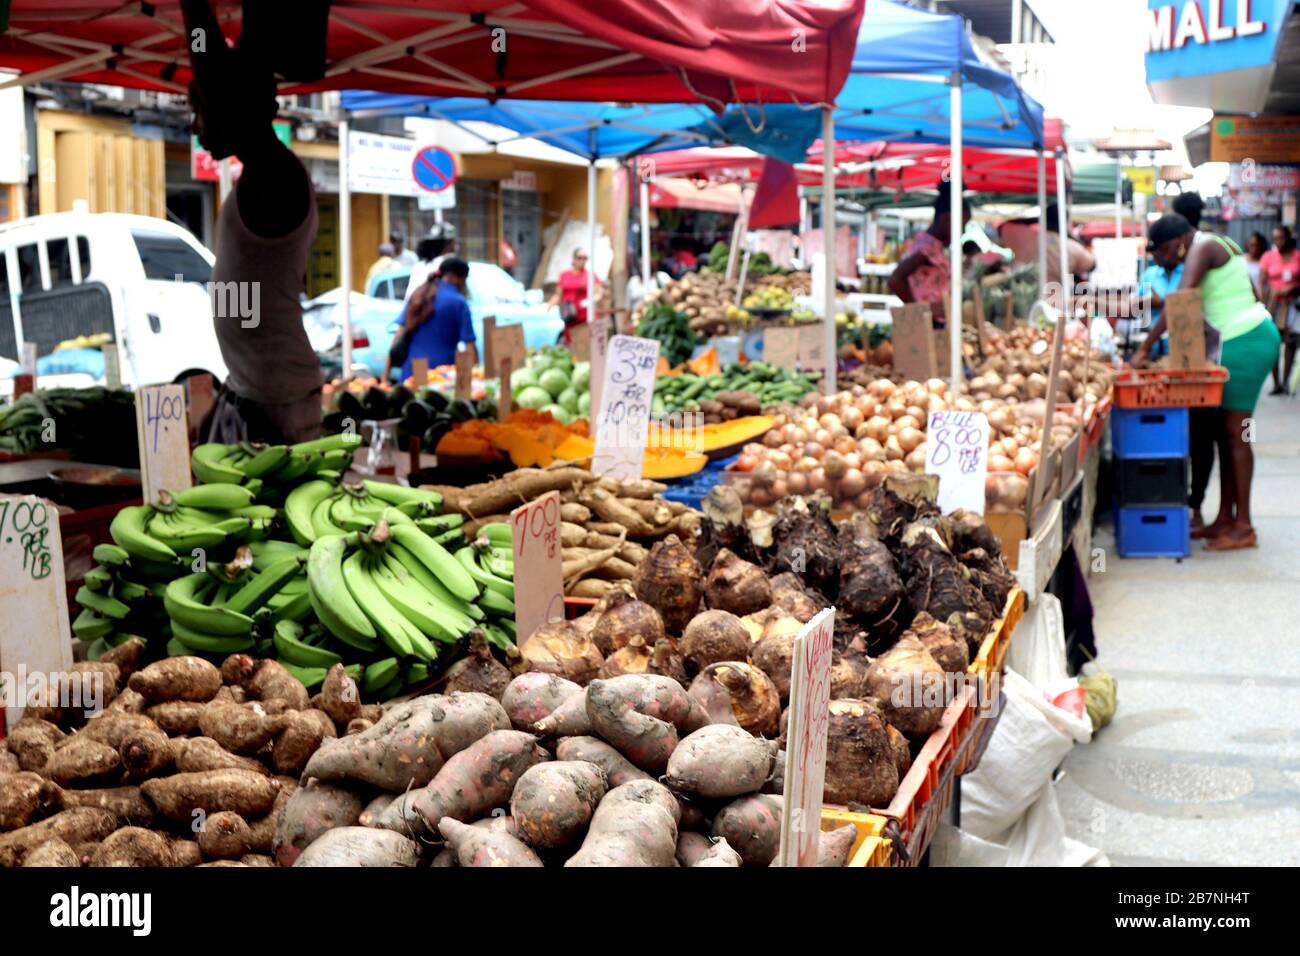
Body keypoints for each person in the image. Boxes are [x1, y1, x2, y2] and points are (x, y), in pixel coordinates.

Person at [182, 0, 323, 445]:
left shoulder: (274, 177)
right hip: (257, 392)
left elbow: (215, 71)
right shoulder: (262, 174)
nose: (195, 125)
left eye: (200, 108)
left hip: (276, 402)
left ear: (232, 105)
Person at [1135, 214, 1281, 551]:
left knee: (1237, 434)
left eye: (1166, 254)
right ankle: (1226, 519)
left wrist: (1144, 349)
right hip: (1243, 339)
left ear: (1177, 240)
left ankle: (1244, 526)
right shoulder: (1220, 244)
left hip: (1243, 342)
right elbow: (1250, 290)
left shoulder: (1202, 245)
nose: (1167, 261)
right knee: (1224, 434)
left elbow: (1179, 303)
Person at [888, 183, 972, 326]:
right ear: (946, 219)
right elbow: (895, 279)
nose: (963, 231)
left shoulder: (935, 246)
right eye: (962, 225)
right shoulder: (927, 248)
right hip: (929, 325)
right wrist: (919, 310)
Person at [395, 258, 477, 381]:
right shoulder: (459, 302)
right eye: (464, 280)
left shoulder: (419, 294)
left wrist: (385, 376)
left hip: (411, 373)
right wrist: (476, 376)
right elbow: (470, 346)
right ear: (453, 277)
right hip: (440, 377)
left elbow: (399, 334)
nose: (464, 285)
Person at [1260, 225, 1300, 394]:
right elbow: (1262, 282)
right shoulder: (1269, 256)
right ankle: (1276, 383)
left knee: (1291, 342)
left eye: (1281, 238)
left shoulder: (1297, 256)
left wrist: (1292, 288)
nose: (1278, 242)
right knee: (1274, 342)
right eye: (1275, 239)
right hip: (1274, 305)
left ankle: (1285, 381)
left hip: (1292, 305)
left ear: (1288, 238)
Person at [401, 222, 459, 312]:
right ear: (448, 245)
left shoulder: (419, 266)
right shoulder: (448, 264)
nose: (456, 247)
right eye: (454, 243)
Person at [550, 249, 599, 339]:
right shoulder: (564, 275)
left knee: (585, 344)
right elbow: (558, 295)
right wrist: (549, 305)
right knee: (570, 344)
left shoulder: (590, 275)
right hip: (570, 317)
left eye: (585, 258)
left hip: (585, 318)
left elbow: (598, 293)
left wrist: (590, 301)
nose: (582, 261)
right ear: (573, 259)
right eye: (579, 258)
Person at [1243, 231, 1268, 296]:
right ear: (1247, 244)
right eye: (1251, 245)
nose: (1254, 248)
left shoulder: (1265, 260)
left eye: (1257, 245)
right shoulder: (1241, 259)